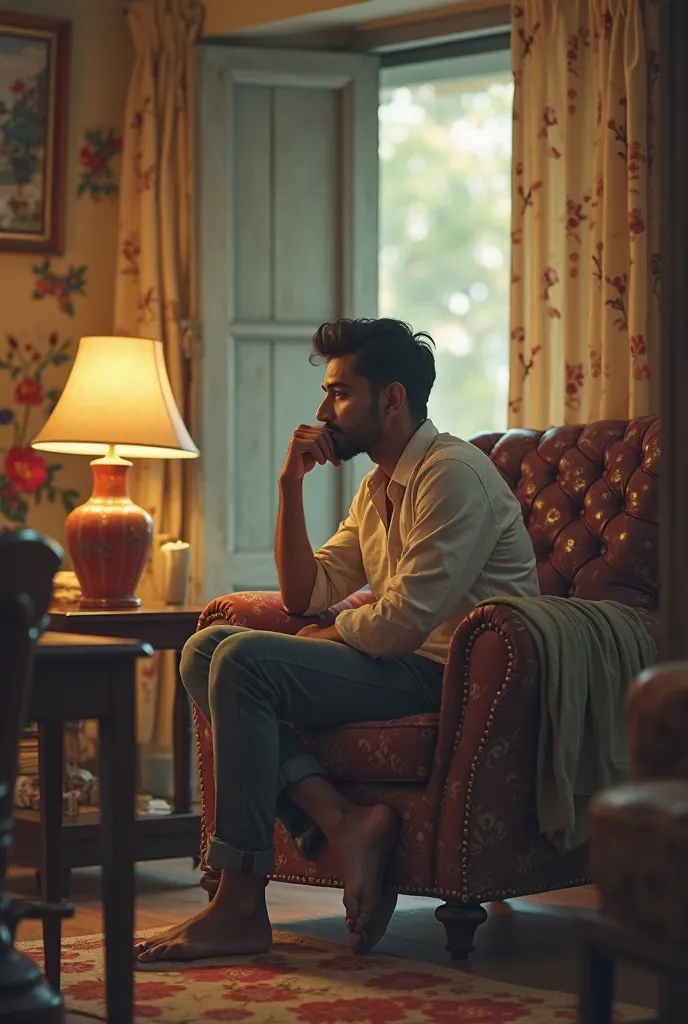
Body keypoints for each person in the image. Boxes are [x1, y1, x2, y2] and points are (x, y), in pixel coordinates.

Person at [134, 317, 540, 964]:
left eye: (339, 393)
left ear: (393, 399)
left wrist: (333, 629)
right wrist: (288, 488)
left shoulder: (452, 475)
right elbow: (306, 593)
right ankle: (342, 821)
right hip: (397, 661)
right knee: (206, 650)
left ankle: (240, 902)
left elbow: (403, 623)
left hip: (450, 673)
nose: (323, 411)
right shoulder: (379, 485)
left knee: (239, 657)